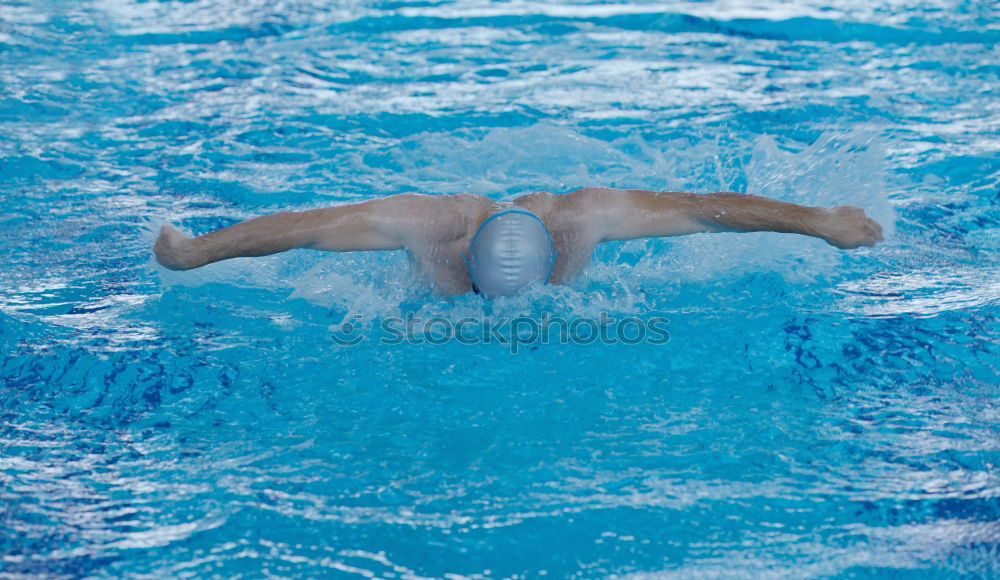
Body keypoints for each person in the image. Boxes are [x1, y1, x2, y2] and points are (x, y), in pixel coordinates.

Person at [153, 188, 884, 298]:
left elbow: (704, 211)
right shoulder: (430, 226)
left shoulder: (583, 218)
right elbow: (302, 229)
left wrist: (821, 224)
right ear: (465, 259)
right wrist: (195, 252)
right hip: (463, 218)